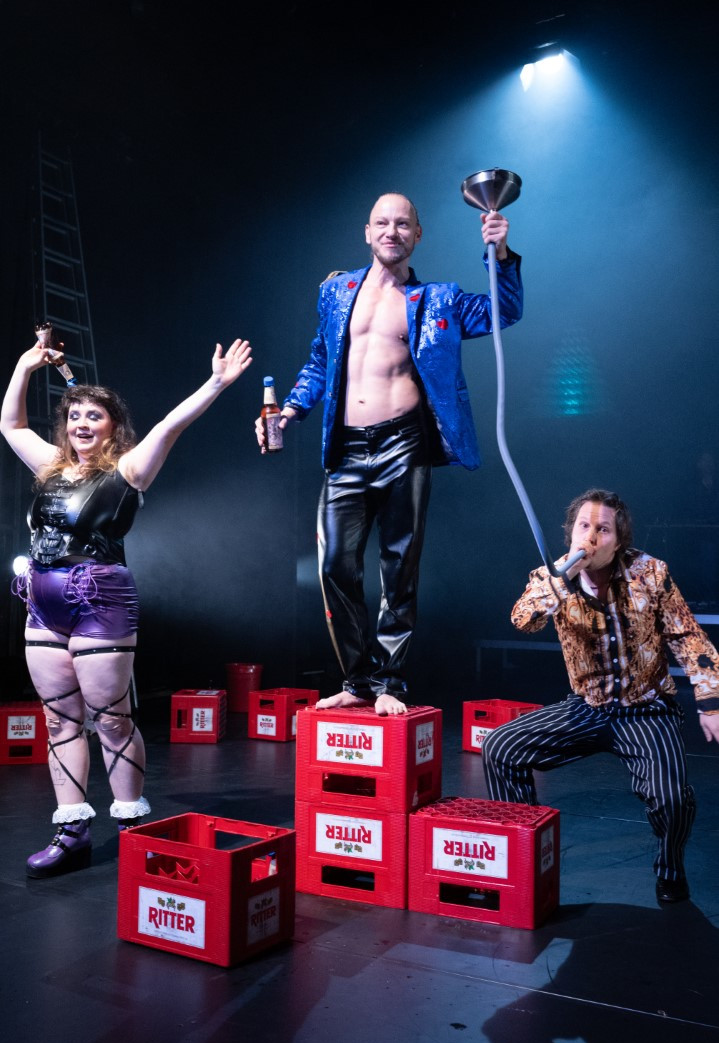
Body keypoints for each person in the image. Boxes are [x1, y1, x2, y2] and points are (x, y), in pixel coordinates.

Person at [255, 192, 523, 715]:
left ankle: (390, 684)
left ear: (417, 234)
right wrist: (289, 411)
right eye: (382, 223)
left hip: (405, 443)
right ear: (367, 231)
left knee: (399, 567)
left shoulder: (439, 299)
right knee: (335, 565)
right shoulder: (336, 292)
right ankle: (357, 680)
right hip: (347, 448)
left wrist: (501, 253)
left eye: (403, 224)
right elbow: (320, 361)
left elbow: (504, 310)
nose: (392, 232)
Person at [1, 334, 253, 877]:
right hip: (42, 602)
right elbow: (12, 426)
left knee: (111, 720)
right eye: (74, 416)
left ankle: (134, 827)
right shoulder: (50, 466)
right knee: (58, 720)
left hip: (100, 600)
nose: (81, 424)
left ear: (113, 426)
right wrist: (24, 366)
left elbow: (170, 425)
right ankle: (72, 832)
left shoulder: (129, 471)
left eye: (94, 416)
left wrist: (215, 383)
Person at [481, 488, 719, 903]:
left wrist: (710, 702)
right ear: (570, 532)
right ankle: (522, 861)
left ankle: (670, 868)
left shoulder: (650, 572)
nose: (590, 537)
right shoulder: (550, 577)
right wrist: (559, 582)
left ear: (619, 539)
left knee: (672, 800)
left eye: (603, 529)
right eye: (583, 526)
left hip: (646, 709)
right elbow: (523, 620)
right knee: (500, 747)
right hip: (587, 707)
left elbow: (688, 637)